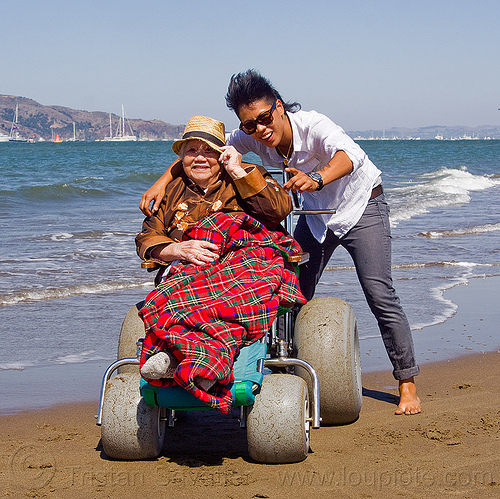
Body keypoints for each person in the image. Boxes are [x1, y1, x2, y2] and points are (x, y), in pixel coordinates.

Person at [140, 71, 421, 416]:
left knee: (379, 291)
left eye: (264, 118)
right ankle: (286, 362)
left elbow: (348, 155)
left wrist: (317, 178)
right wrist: (161, 181)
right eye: (249, 125)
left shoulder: (313, 124)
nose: (259, 129)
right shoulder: (249, 136)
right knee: (289, 289)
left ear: (278, 106)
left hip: (360, 206)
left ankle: (406, 381)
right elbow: (203, 152)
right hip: (316, 214)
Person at [136, 115, 306, 413]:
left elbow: (279, 209)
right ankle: (194, 361)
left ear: (222, 153)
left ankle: (195, 362)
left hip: (246, 262)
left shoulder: (246, 174)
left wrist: (238, 170)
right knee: (177, 292)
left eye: (209, 150)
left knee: (236, 299)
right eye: (192, 150)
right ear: (181, 156)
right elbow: (147, 238)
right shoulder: (171, 191)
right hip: (192, 266)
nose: (200, 157)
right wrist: (176, 248)